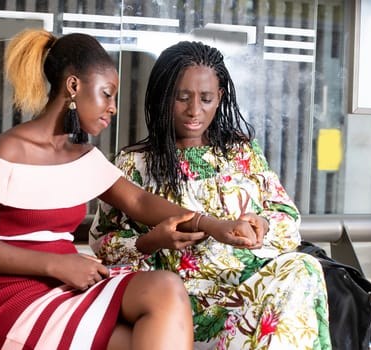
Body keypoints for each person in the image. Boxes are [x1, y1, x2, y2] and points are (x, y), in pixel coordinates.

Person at [0, 29, 261, 350]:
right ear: (74, 86)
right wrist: (56, 264)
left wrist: (214, 225)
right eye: (107, 93)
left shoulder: (83, 157)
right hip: (16, 302)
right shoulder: (6, 151)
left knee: (164, 294)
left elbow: (138, 200)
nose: (113, 107)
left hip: (70, 286)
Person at [89, 41, 332, 349]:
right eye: (182, 98)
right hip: (181, 306)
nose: (194, 110)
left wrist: (262, 224)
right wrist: (152, 241)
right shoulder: (133, 164)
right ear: (164, 97)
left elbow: (288, 218)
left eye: (206, 98)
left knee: (303, 268)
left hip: (252, 293)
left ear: (219, 97)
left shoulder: (242, 153)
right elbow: (104, 247)